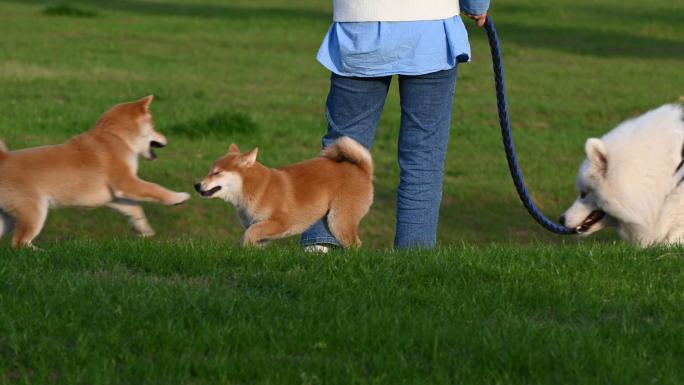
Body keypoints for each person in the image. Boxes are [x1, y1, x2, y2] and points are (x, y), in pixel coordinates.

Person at [301, 0, 491, 251]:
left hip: (359, 25)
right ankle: (415, 255)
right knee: (423, 157)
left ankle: (320, 244)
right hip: (431, 28)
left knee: (343, 146)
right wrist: (475, 6)